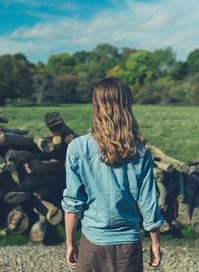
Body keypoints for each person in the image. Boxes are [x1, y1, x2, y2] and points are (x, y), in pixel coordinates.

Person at [61, 77, 164, 272]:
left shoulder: (78, 147)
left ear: (96, 106)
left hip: (92, 244)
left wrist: (70, 243)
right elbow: (149, 202)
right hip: (129, 245)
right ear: (127, 106)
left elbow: (72, 202)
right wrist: (155, 244)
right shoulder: (141, 151)